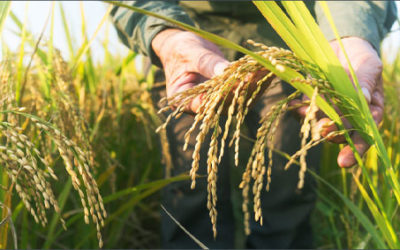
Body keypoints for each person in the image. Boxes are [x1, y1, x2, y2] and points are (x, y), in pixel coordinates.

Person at [111, 1, 397, 248]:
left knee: (286, 181)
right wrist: (165, 34)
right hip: (184, 26)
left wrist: (351, 36)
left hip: (288, 32)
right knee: (190, 181)